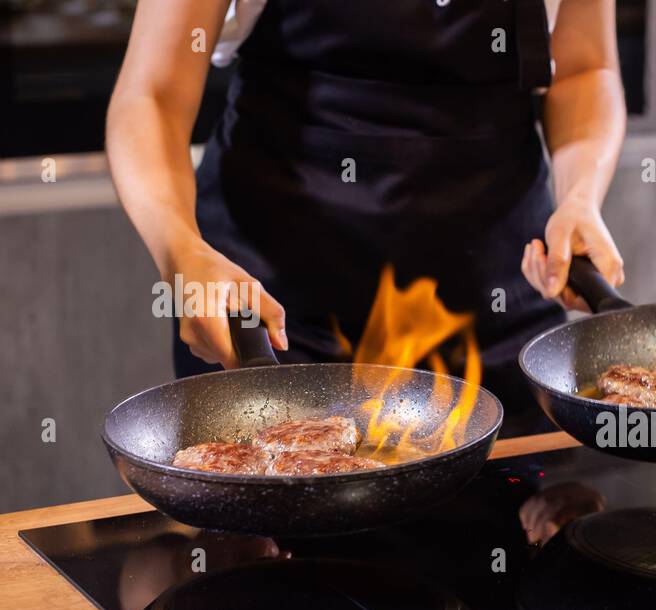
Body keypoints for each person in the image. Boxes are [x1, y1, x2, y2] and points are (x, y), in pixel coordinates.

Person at [107, 0, 626, 433]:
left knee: (512, 545)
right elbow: (152, 93)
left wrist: (580, 196)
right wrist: (182, 251)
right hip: (277, 320)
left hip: (500, 306)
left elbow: (584, 67)